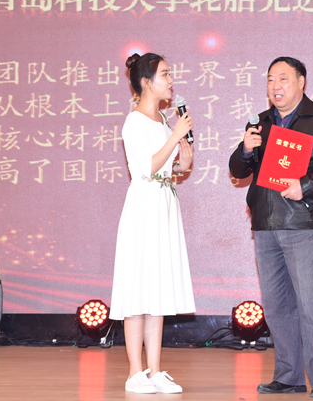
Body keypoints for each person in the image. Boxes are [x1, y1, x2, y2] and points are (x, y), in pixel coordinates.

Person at [228, 57, 313, 399]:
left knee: (310, 302)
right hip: (265, 223)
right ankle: (289, 376)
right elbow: (238, 170)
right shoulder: (260, 123)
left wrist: (305, 185)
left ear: (301, 82)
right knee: (276, 305)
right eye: (270, 79)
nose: (275, 86)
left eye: (283, 78)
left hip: (302, 221)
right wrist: (245, 149)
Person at [109, 53, 195, 395]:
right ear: (146, 82)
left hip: (164, 205)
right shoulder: (134, 121)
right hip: (143, 207)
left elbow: (165, 167)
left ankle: (155, 370)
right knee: (138, 289)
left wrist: (182, 164)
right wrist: (175, 137)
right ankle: (135, 372)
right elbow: (145, 167)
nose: (171, 80)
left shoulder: (162, 120)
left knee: (157, 289)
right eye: (165, 74)